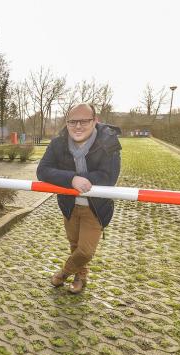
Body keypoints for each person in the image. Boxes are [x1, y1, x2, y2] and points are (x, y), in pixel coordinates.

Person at [37, 103, 121, 294]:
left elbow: (109, 177)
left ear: (95, 121)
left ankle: (64, 273)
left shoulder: (109, 142)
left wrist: (84, 180)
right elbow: (42, 171)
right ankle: (80, 277)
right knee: (74, 245)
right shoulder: (58, 142)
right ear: (66, 123)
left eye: (84, 121)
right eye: (72, 121)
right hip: (69, 206)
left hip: (96, 207)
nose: (78, 126)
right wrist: (71, 179)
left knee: (85, 251)